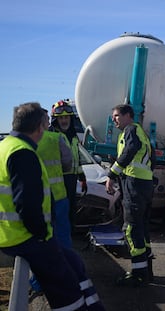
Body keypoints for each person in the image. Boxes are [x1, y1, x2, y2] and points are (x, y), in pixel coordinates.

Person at [0, 102, 105, 310]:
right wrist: (42, 235)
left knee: (74, 263)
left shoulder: (5, 146)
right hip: (24, 237)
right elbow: (27, 205)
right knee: (67, 289)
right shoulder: (23, 153)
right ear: (40, 126)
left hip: (12, 234)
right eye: (47, 122)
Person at [105, 104, 155, 287]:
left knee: (131, 228)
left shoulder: (131, 130)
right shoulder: (140, 132)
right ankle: (146, 271)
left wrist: (112, 174)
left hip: (134, 184)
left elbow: (131, 149)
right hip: (144, 183)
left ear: (128, 116)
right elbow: (152, 158)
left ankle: (139, 274)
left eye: (117, 115)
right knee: (141, 227)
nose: (114, 119)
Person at [38, 109, 73, 248]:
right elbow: (67, 164)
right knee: (62, 233)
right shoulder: (57, 138)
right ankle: (65, 262)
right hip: (57, 195)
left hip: (35, 197)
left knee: (40, 234)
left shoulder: (22, 140)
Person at [50, 99, 87, 229]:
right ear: (56, 120)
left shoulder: (73, 136)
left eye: (66, 117)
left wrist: (82, 177)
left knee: (71, 208)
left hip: (71, 179)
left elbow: (77, 158)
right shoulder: (51, 136)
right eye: (61, 118)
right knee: (58, 211)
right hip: (57, 181)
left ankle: (69, 236)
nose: (64, 120)